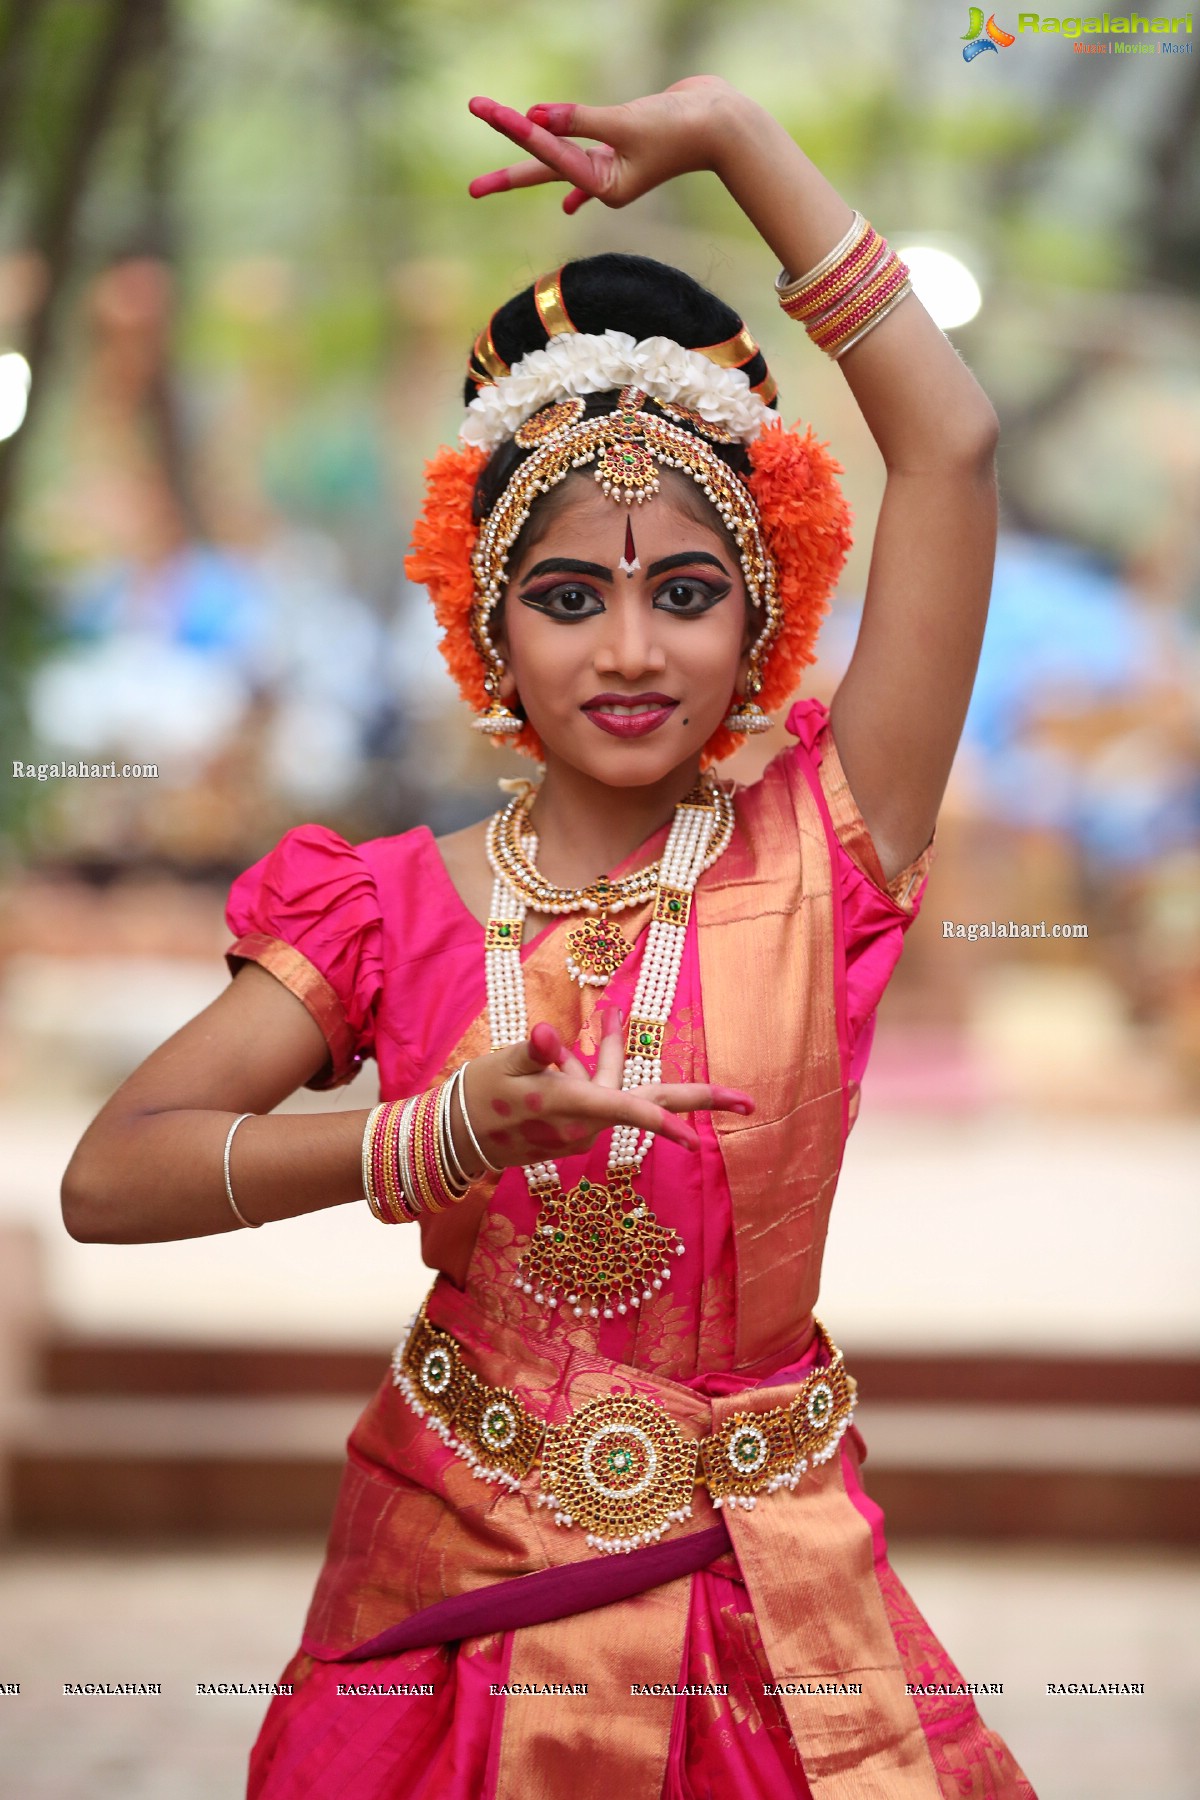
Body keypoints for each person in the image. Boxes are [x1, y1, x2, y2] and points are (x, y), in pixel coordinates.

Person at [62, 77, 1034, 1800]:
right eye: (570, 596)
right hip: (454, 1576)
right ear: (487, 621)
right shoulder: (385, 906)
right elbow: (108, 1178)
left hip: (770, 1596)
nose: (632, 650)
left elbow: (948, 449)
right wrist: (430, 1135)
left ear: (766, 613)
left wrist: (741, 140)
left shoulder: (832, 839)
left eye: (686, 591)